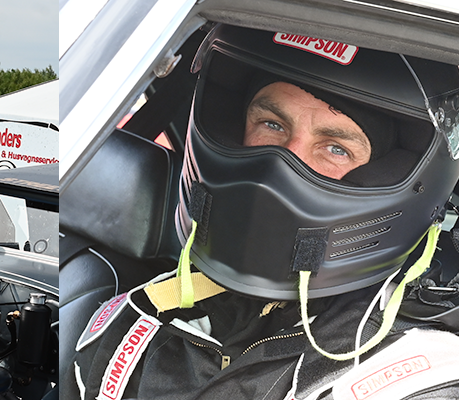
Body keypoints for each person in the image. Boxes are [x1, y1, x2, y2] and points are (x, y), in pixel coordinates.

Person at [71, 25, 459, 399]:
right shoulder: (131, 325)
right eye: (271, 124)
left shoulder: (417, 375)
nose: (279, 168)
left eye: (335, 148)